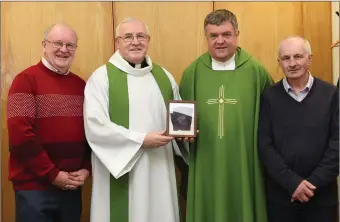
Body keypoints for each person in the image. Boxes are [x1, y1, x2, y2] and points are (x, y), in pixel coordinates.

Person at [83, 17, 188, 222]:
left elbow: (179, 119)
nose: (135, 42)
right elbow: (95, 125)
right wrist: (141, 140)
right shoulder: (102, 77)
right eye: (128, 37)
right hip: (121, 168)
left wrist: (184, 135)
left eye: (141, 36)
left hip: (159, 166)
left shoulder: (163, 76)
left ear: (148, 40)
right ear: (117, 42)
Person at [179, 9, 273, 222]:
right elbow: (180, 121)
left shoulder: (256, 71)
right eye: (213, 36)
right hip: (205, 160)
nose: (219, 41)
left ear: (237, 34)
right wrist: (183, 137)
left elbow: (274, 120)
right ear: (206, 37)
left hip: (246, 161)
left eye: (226, 34)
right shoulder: (192, 73)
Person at [7, 23, 91, 222]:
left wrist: (87, 168)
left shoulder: (81, 86)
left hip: (71, 186)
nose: (64, 49)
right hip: (34, 188)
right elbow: (21, 136)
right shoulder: (25, 80)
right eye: (58, 43)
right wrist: (52, 174)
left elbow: (91, 131)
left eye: (70, 45)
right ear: (44, 45)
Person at [258, 36, 339, 222]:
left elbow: (337, 144)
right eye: (286, 58)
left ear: (309, 59)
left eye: (298, 56)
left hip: (322, 199)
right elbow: (265, 146)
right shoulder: (269, 97)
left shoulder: (332, 94)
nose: (292, 63)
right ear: (279, 63)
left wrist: (312, 184)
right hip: (282, 199)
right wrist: (293, 184)